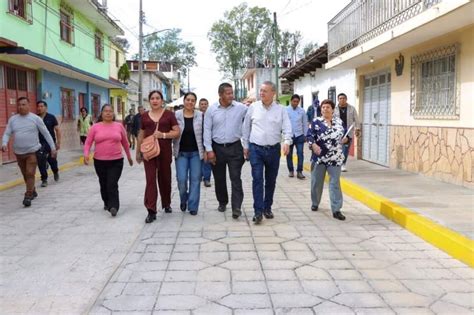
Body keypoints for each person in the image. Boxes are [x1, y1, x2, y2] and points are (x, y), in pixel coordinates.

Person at [242, 81, 292, 224]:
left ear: (273, 93)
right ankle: (258, 212)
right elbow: (246, 128)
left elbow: (287, 127)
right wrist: (245, 145)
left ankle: (267, 207)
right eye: (261, 90)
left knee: (271, 181)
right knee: (257, 179)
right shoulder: (253, 107)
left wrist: (287, 142)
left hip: (273, 150)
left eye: (265, 91)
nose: (261, 93)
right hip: (256, 149)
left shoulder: (281, 109)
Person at [2, 97, 56, 207]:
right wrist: (4, 143)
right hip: (18, 152)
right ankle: (33, 190)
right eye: (19, 105)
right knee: (25, 174)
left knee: (30, 172)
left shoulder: (35, 119)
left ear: (28, 105)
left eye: (23, 104)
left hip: (32, 151)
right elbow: (7, 133)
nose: (21, 107)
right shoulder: (13, 119)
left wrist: (53, 148)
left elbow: (46, 133)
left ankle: (28, 195)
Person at [203, 83, 247, 219]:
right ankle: (222, 202)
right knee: (219, 178)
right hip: (217, 149)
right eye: (228, 93)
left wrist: (247, 145)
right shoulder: (211, 110)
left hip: (235, 148)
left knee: (235, 178)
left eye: (232, 93)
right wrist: (209, 150)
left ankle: (237, 207)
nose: (231, 96)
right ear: (220, 94)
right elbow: (207, 130)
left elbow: (253, 116)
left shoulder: (241, 108)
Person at [136, 90, 180, 223]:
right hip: (149, 151)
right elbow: (141, 134)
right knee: (150, 180)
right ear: (149, 101)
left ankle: (166, 203)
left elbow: (177, 132)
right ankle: (151, 210)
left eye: (157, 98)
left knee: (165, 178)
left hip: (165, 151)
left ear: (162, 100)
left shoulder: (169, 115)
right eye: (152, 98)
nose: (155, 100)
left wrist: (164, 135)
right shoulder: (144, 116)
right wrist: (138, 152)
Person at [83, 104, 133, 217]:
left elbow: (125, 142)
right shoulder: (95, 127)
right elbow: (88, 142)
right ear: (101, 113)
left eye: (110, 111)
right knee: (103, 183)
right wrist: (86, 155)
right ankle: (106, 202)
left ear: (113, 113)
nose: (108, 113)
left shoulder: (119, 126)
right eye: (106, 111)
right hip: (99, 161)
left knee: (112, 183)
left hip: (116, 160)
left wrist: (129, 157)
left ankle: (114, 206)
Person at [306, 99, 348, 221]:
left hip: (335, 158)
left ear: (332, 109)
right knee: (316, 182)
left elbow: (345, 135)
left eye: (328, 107)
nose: (325, 109)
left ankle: (336, 209)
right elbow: (309, 136)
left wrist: (346, 140)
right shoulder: (316, 121)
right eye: (323, 107)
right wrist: (313, 145)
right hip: (319, 157)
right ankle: (315, 202)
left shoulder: (339, 122)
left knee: (334, 183)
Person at [173, 92, 205, 215]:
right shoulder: (176, 115)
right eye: (188, 100)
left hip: (196, 153)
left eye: (193, 100)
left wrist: (207, 150)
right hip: (181, 153)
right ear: (184, 101)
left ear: (195, 103)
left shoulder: (201, 116)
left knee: (195, 180)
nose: (190, 102)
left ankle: (192, 206)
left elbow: (205, 133)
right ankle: (183, 199)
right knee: (181, 180)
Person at [36, 100, 61, 187]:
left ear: (46, 108)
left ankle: (55, 171)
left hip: (50, 143)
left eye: (41, 106)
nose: (39, 108)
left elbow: (57, 130)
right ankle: (44, 179)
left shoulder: (51, 117)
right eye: (38, 106)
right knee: (41, 161)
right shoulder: (35, 118)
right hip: (39, 144)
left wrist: (58, 143)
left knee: (52, 160)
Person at [334, 93, 361, 172]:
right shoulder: (334, 109)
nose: (342, 100)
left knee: (345, 149)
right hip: (337, 132)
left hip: (348, 132)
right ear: (338, 100)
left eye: (343, 98)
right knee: (337, 149)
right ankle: (336, 162)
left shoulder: (351, 108)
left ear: (346, 99)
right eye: (340, 98)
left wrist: (357, 129)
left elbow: (356, 119)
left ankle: (343, 164)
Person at [286, 94, 308, 179]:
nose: (295, 103)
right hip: (289, 135)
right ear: (291, 101)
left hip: (299, 135)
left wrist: (305, 135)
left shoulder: (302, 111)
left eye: (297, 102)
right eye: (294, 101)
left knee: (300, 153)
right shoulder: (285, 110)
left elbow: (305, 123)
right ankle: (291, 170)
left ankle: (299, 171)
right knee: (289, 154)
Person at [198, 98, 212, 187]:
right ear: (199, 106)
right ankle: (199, 176)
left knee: (207, 160)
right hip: (198, 140)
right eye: (202, 104)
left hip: (207, 140)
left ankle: (207, 179)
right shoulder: (197, 116)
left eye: (205, 104)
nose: (203, 105)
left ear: (208, 105)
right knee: (199, 160)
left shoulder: (210, 115)